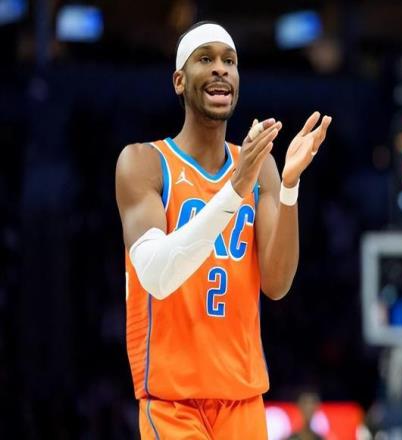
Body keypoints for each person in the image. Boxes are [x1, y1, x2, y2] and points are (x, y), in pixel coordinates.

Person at [115, 21, 332, 439]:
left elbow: (277, 284)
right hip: (173, 402)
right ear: (179, 81)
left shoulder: (260, 168)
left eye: (229, 61)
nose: (220, 69)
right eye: (205, 59)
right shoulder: (143, 163)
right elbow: (156, 276)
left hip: (243, 397)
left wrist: (289, 186)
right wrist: (235, 188)